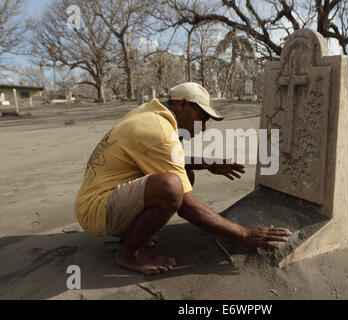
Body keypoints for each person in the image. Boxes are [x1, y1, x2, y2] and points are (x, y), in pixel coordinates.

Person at [75, 82, 291, 275]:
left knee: (182, 175)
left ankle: (131, 233)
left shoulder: (152, 112)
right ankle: (129, 253)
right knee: (171, 187)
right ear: (182, 105)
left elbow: (166, 157)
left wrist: (206, 162)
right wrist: (244, 233)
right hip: (97, 211)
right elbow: (186, 206)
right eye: (202, 118)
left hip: (103, 199)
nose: (204, 128)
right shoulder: (158, 130)